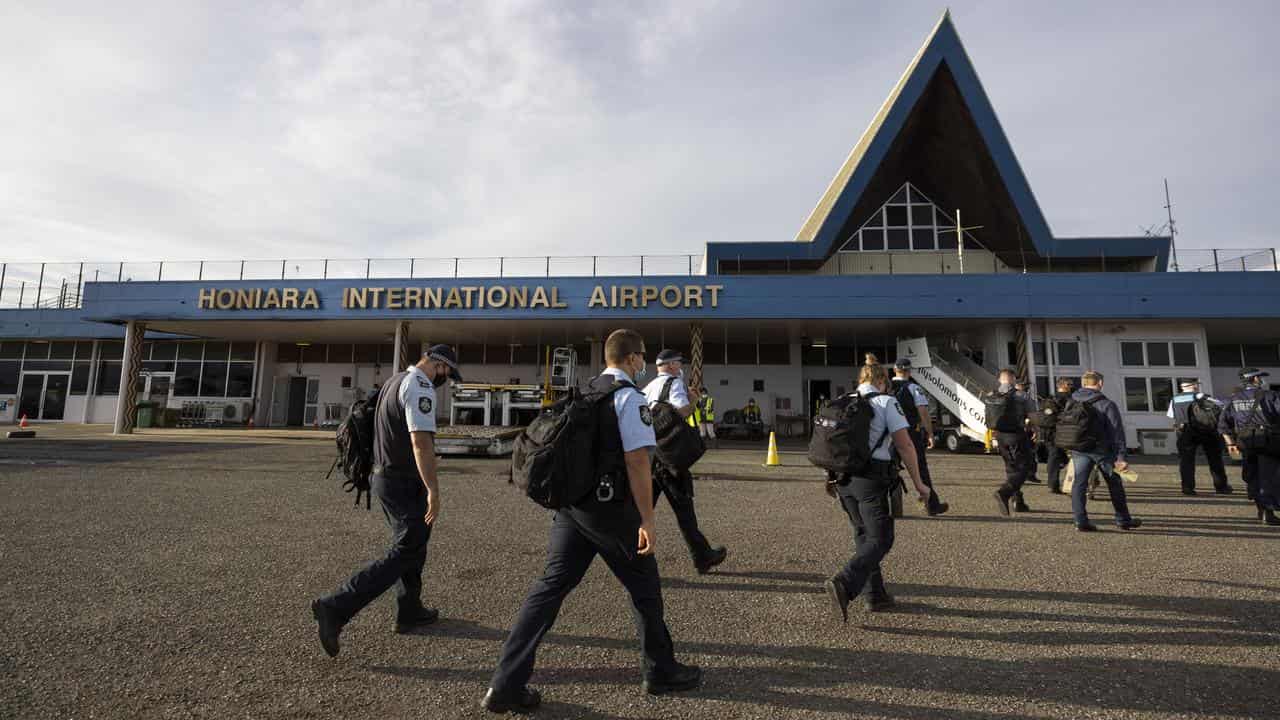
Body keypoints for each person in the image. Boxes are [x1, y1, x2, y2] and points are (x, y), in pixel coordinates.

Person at [483, 330, 701, 713]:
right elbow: (637, 462)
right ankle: (660, 671)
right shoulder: (627, 398)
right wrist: (647, 519)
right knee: (646, 589)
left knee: (548, 590)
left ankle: (505, 683)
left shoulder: (585, 391)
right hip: (611, 512)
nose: (644, 363)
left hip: (572, 509)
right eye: (643, 357)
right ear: (632, 359)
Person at [311, 345, 463, 656]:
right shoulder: (420, 385)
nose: (445, 379)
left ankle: (410, 609)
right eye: (447, 373)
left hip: (386, 477)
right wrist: (434, 488)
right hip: (402, 482)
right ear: (439, 364)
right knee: (406, 548)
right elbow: (420, 442)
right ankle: (336, 606)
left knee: (413, 544)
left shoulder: (393, 381)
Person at [824, 354, 931, 622]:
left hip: (844, 479)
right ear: (882, 380)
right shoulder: (886, 402)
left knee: (863, 534)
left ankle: (875, 595)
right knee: (882, 538)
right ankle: (845, 583)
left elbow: (833, 443)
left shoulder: (844, 401)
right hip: (870, 479)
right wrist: (920, 484)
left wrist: (829, 477)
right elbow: (905, 445)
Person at [642, 349, 727, 574]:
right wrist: (693, 400)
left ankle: (633, 558)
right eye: (679, 363)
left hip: (651, 456)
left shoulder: (648, 387)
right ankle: (703, 557)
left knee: (642, 511)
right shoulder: (674, 383)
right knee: (684, 512)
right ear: (670, 366)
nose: (681, 367)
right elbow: (681, 412)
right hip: (670, 459)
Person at [1066, 370, 1142, 531]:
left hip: (1080, 448)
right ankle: (1123, 519)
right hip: (1103, 451)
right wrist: (1121, 456)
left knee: (1079, 484)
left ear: (1083, 383)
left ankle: (1080, 520)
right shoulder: (1106, 404)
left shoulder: (1071, 401)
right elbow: (1116, 431)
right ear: (1100, 383)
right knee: (1114, 484)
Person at [1220, 368, 1279, 525]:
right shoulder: (1270, 396)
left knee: (1252, 475)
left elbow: (1223, 425)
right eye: (1260, 377)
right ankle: (1269, 511)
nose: (1262, 380)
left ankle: (1261, 509)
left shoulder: (1232, 399)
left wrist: (1230, 444)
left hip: (1245, 442)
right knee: (1270, 475)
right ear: (1254, 379)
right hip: (1269, 442)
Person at [891, 358, 948, 516]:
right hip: (909, 433)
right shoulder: (913, 388)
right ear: (909, 371)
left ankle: (889, 505)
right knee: (920, 469)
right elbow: (922, 412)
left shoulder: (886, 387)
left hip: (888, 434)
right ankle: (932, 505)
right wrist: (930, 433)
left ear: (895, 370)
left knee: (888, 468)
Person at [1166, 380, 1232, 496]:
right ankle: (1221, 487)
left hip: (1184, 431)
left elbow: (1171, 415)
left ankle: (1188, 488)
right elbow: (1220, 405)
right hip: (1206, 430)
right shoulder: (1200, 396)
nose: (1197, 386)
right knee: (1214, 459)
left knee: (1186, 461)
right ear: (1193, 386)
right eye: (1196, 385)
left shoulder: (1174, 399)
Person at [990, 369, 1034, 516]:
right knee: (1025, 468)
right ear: (1013, 380)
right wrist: (1035, 430)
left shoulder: (991, 395)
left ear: (1000, 380)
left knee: (1011, 468)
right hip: (1017, 436)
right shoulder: (1022, 395)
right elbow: (1033, 416)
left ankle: (1018, 501)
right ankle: (1004, 492)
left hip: (1000, 436)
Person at [1041, 378, 1074, 494]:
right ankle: (1054, 483)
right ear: (1063, 385)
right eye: (1069, 384)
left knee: (1055, 457)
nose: (1071, 386)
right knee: (1064, 458)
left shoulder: (1049, 399)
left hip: (1050, 433)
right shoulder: (1071, 399)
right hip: (1065, 432)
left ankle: (1053, 482)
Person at [1015, 380, 1042, 485]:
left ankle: (1029, 475)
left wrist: (1035, 430)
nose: (1026, 389)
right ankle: (1023, 475)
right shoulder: (1025, 399)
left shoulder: (1025, 399)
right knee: (1024, 455)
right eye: (1023, 386)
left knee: (1029, 454)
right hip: (1021, 430)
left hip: (1024, 430)